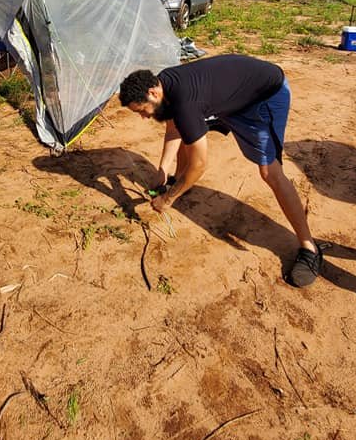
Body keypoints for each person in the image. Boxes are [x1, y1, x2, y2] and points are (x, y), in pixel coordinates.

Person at [119, 54, 323, 287]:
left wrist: (168, 199)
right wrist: (163, 171)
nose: (144, 117)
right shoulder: (165, 82)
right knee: (189, 134)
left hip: (265, 96)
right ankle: (179, 180)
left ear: (154, 93)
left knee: (270, 172)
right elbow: (175, 129)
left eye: (142, 110)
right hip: (232, 98)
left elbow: (199, 165)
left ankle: (309, 248)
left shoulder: (186, 102)